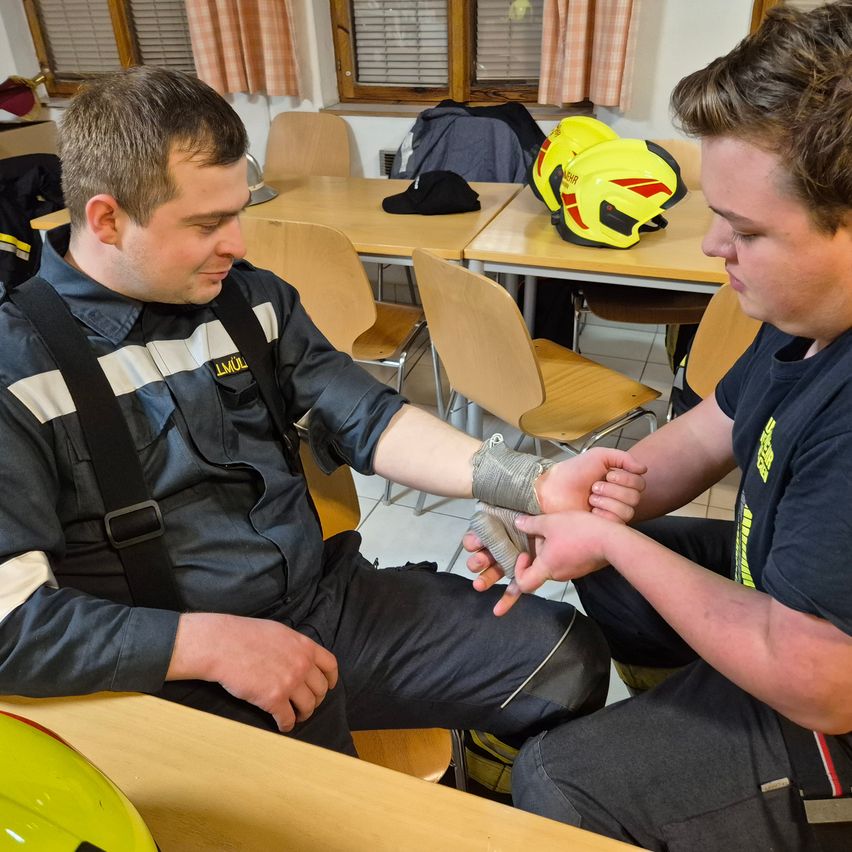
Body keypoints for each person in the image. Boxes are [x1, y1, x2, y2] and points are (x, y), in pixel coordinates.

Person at [0, 66, 647, 758]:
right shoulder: (18, 368)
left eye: (239, 212)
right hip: (175, 671)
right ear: (106, 218)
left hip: (324, 604)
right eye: (208, 223)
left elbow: (368, 415)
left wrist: (531, 484)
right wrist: (199, 645)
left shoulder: (252, 301)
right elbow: (13, 627)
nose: (238, 244)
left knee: (568, 657)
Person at [465, 2, 852, 848]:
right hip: (794, 623)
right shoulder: (807, 316)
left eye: (747, 230)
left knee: (559, 782)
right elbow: (714, 424)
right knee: (615, 551)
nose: (715, 245)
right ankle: (691, 707)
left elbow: (821, 680)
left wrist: (612, 541)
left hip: (825, 692)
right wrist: (564, 505)